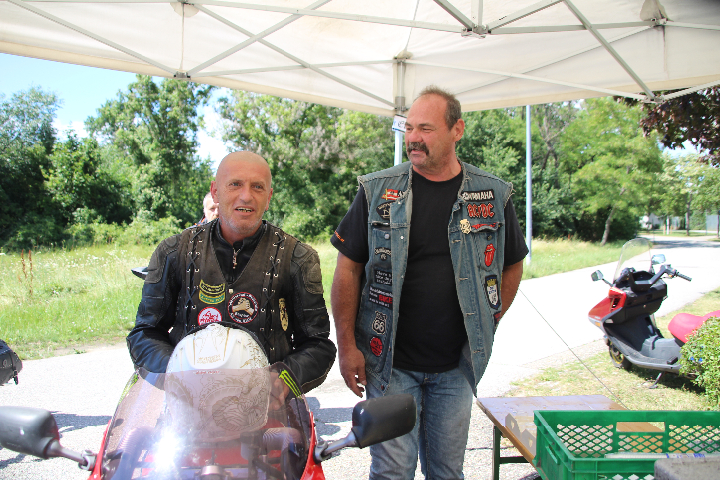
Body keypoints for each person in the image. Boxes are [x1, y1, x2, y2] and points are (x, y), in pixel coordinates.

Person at [330, 86, 527, 479]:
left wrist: (489, 317)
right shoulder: (376, 191)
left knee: (447, 472)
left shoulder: (492, 194)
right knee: (392, 472)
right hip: (388, 365)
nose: (413, 138)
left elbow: (512, 264)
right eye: (408, 128)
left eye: (425, 128)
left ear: (457, 130)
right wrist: (348, 346)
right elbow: (347, 269)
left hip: (455, 368)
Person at [128, 151, 336, 393]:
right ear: (215, 192)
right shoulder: (173, 251)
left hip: (267, 407)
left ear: (268, 197)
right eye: (235, 184)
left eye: (257, 187)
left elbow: (317, 345)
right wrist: (176, 375)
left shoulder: (298, 258)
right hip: (186, 404)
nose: (246, 196)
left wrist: (282, 382)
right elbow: (145, 333)